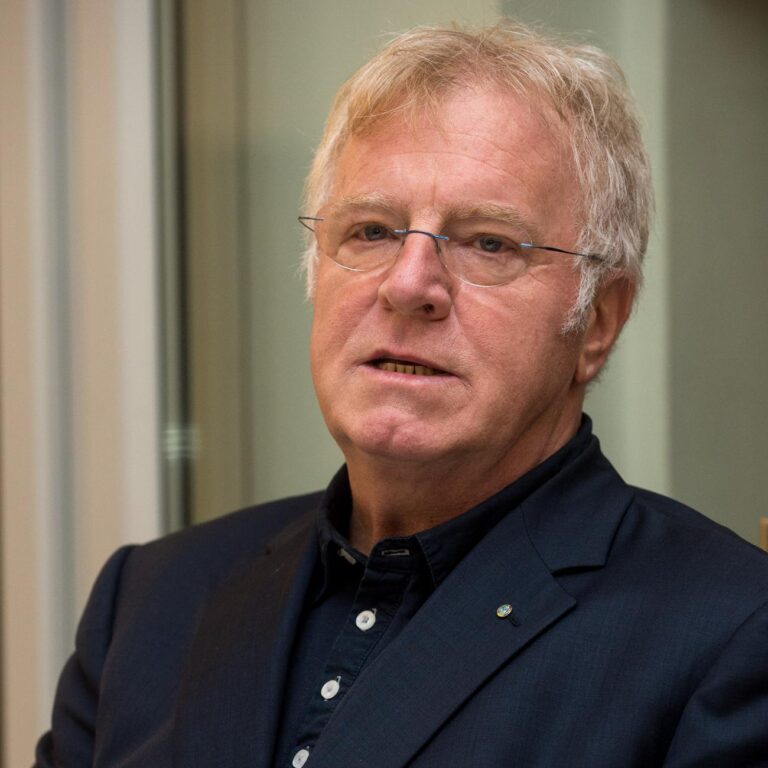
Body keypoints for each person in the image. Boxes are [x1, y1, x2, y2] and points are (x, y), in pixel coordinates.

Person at [36, 22, 768, 768]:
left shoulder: (732, 635)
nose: (409, 283)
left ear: (599, 320)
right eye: (372, 231)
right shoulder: (151, 603)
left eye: (488, 242)